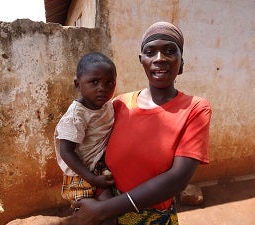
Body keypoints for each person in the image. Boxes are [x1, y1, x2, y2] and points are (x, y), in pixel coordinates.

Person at [64, 21, 212, 225]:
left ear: (181, 62)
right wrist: (90, 199)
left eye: (170, 51)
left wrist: (102, 210)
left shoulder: (195, 109)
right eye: (151, 52)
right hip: (107, 213)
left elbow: (178, 179)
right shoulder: (117, 105)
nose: (160, 59)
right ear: (142, 60)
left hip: (150, 218)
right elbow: (87, 150)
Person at [54, 52, 117, 225]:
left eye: (109, 82)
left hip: (99, 170)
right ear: (78, 84)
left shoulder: (107, 106)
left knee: (108, 215)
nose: (102, 88)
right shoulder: (76, 116)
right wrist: (92, 178)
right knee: (89, 217)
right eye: (94, 82)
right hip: (81, 175)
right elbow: (66, 152)